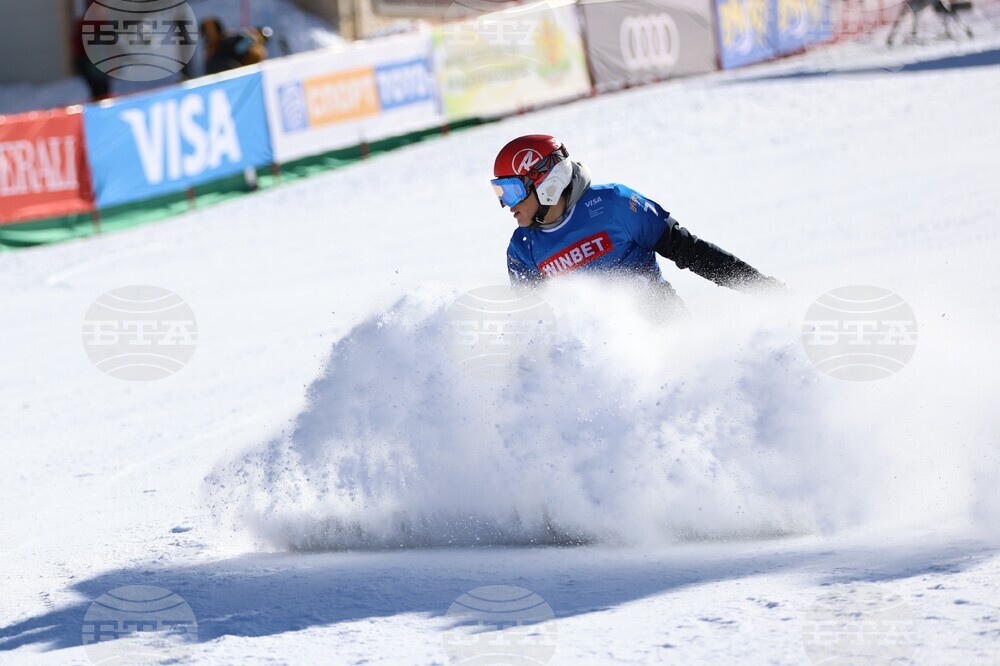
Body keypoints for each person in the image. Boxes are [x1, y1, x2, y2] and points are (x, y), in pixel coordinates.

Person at [494, 135, 784, 314]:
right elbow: (534, 324)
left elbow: (690, 251)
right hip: (598, 364)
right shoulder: (522, 249)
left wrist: (761, 288)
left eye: (511, 191)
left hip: (667, 330)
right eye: (500, 193)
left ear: (547, 181)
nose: (507, 204)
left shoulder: (614, 204)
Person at [887, 0, 973, 46]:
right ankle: (893, 36)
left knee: (947, 9)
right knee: (908, 10)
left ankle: (963, 28)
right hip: (917, 3)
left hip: (928, 2)